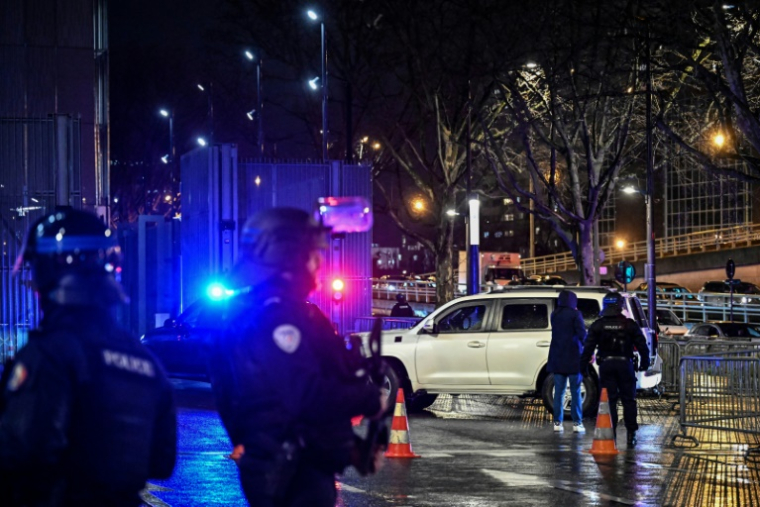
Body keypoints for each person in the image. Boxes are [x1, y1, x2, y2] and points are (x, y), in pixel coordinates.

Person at [206, 207, 387, 507]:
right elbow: (304, 395)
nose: (320, 261)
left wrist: (352, 449)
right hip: (290, 477)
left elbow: (291, 411)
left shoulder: (282, 311)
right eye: (312, 252)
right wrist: (370, 400)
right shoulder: (275, 317)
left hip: (298, 468)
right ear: (287, 257)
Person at [0, 208, 176, 506]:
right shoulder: (146, 361)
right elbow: (162, 462)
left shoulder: (50, 353)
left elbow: (19, 450)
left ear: (47, 271)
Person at [580, 291, 650, 448]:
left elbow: (587, 348)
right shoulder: (630, 324)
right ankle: (631, 434)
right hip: (626, 365)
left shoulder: (598, 325)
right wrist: (644, 364)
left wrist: (583, 367)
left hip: (606, 366)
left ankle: (612, 435)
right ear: (621, 306)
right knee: (629, 400)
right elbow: (642, 346)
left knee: (610, 401)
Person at [547, 290, 587, 434]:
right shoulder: (576, 315)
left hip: (558, 357)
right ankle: (577, 423)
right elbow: (582, 334)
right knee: (576, 391)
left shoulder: (554, 315)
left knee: (559, 392)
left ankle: (558, 422)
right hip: (574, 357)